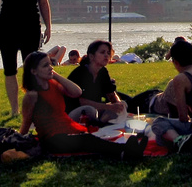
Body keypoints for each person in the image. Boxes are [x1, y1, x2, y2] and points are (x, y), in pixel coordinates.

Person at [17, 48, 145, 160]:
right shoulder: (32, 95)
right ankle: (125, 150)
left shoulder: (54, 84)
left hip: (67, 127)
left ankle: (127, 149)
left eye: (50, 64)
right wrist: (19, 140)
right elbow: (26, 122)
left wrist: (55, 75)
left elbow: (76, 92)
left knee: (90, 137)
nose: (50, 67)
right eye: (45, 66)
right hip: (52, 139)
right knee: (87, 140)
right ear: (34, 71)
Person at [67, 39, 128, 123]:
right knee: (90, 110)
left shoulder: (103, 72)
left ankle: (99, 124)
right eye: (102, 52)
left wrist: (117, 103)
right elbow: (82, 102)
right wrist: (109, 107)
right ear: (91, 56)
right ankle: (99, 124)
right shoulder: (81, 72)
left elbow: (111, 94)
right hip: (75, 111)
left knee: (123, 104)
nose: (106, 55)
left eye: (108, 53)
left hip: (96, 109)